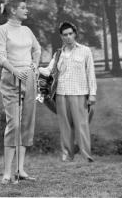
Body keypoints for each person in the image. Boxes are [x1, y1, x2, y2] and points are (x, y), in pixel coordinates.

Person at [0, 0, 41, 184]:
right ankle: (6, 173)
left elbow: (37, 49)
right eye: (23, 7)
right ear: (13, 10)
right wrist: (14, 70)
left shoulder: (27, 30)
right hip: (11, 79)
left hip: (29, 79)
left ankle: (20, 170)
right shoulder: (2, 30)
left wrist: (34, 66)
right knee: (14, 125)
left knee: (27, 123)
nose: (26, 10)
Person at [39, 22, 97, 162]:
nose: (68, 37)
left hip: (79, 93)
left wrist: (92, 93)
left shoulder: (85, 51)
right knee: (65, 126)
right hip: (61, 94)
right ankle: (67, 155)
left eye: (71, 34)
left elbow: (90, 73)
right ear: (61, 36)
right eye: (65, 35)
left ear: (75, 34)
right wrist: (35, 67)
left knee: (81, 125)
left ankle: (86, 156)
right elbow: (48, 71)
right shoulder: (58, 54)